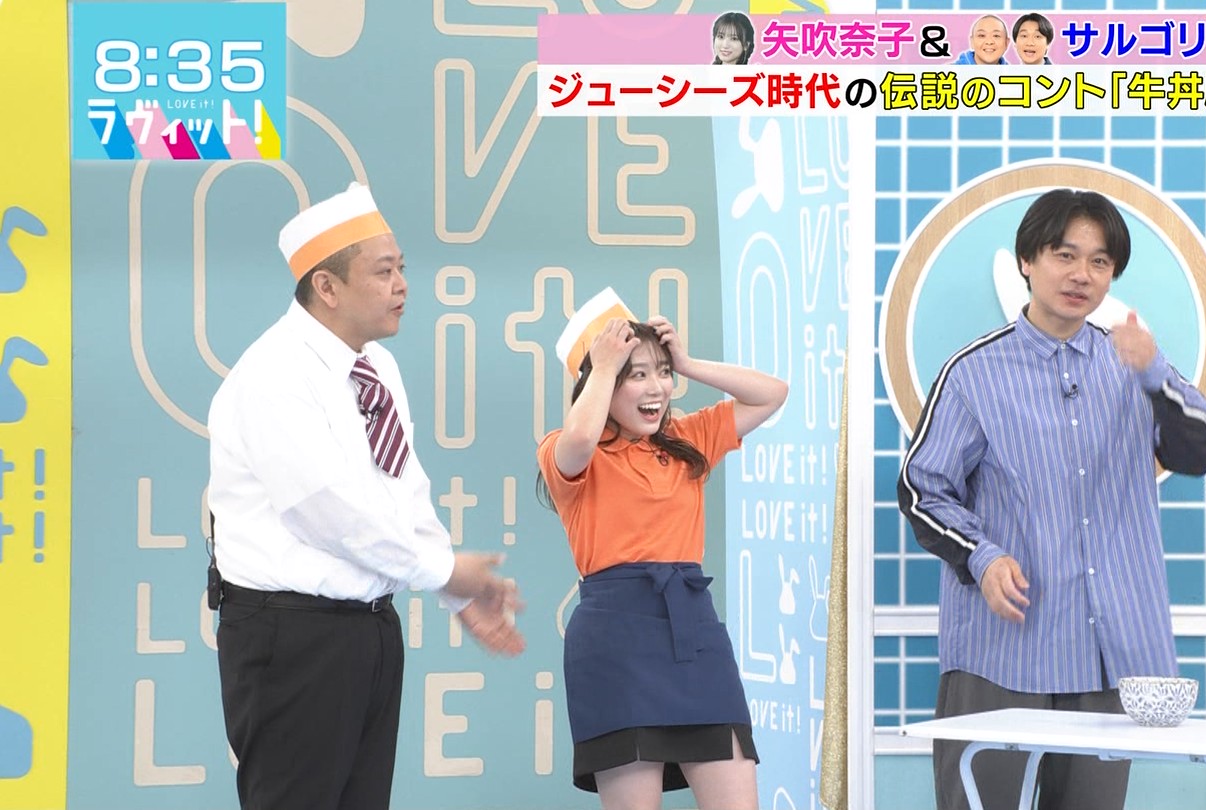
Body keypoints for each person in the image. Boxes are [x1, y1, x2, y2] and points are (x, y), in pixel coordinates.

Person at [896, 189, 1206, 810]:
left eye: (1100, 262)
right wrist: (983, 558)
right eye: (1064, 254)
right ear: (1027, 260)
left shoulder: (1134, 364)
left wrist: (1155, 372)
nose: (1082, 275)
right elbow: (922, 489)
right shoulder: (972, 373)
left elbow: (1202, 449)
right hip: (1002, 648)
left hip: (1110, 650)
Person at [207, 182, 525, 810]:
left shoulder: (376, 366)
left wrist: (455, 592)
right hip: (292, 638)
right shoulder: (273, 374)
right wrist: (441, 570)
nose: (402, 285)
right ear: (327, 287)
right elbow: (326, 513)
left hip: (371, 630)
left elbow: (402, 487)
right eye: (384, 272)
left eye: (401, 268)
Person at [537, 288, 787, 810]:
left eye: (662, 372)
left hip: (693, 630)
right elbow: (579, 440)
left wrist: (689, 363)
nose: (657, 388)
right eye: (636, 374)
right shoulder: (571, 451)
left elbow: (772, 393)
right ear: (602, 382)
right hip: (615, 643)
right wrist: (604, 365)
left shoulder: (688, 440)